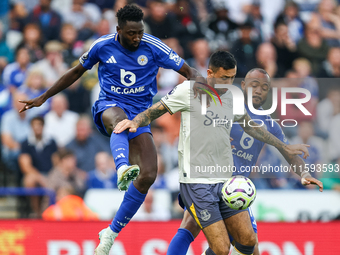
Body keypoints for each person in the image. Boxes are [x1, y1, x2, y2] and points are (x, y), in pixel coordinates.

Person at [18, 4, 199, 255]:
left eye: (139, 32)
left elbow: (189, 72)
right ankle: (122, 167)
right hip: (109, 107)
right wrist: (44, 96)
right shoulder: (102, 45)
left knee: (148, 175)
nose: (137, 38)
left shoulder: (153, 45)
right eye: (131, 33)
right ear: (119, 30)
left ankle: (110, 232)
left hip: (141, 115)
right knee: (120, 120)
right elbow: (76, 71)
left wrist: (212, 93)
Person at [114, 52, 317, 255]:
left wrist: (286, 149)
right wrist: (136, 121)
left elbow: (251, 127)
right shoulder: (189, 91)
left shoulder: (234, 98)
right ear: (210, 73)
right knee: (215, 244)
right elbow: (156, 110)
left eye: (232, 77)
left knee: (247, 242)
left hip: (228, 182)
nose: (228, 83)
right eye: (224, 78)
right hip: (197, 181)